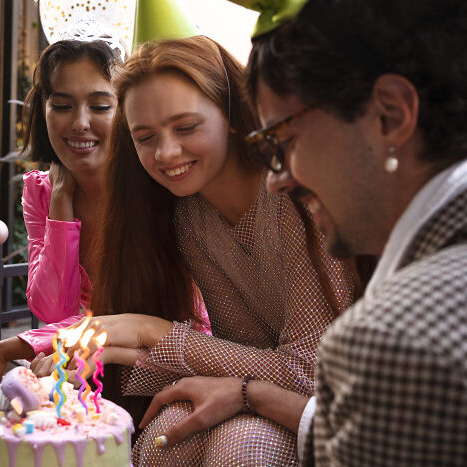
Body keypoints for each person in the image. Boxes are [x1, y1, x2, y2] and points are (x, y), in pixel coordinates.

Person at [144, 0, 467, 465]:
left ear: (391, 116)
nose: (277, 178)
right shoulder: (192, 221)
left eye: (286, 141)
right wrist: (252, 394)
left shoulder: (396, 340)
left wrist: (160, 337)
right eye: (144, 136)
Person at [68, 35, 365, 465]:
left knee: (240, 448)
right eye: (145, 136)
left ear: (230, 113)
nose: (166, 152)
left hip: (351, 407)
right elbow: (243, 353)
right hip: (263, 391)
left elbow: (307, 372)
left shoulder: (292, 193)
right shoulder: (191, 217)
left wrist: (152, 333)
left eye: (186, 127)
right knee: (161, 441)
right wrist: (119, 344)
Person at [0, 39, 123, 408]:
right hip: (72, 372)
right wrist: (60, 202)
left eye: (100, 106)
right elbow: (54, 306)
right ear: (43, 110)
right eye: (63, 105)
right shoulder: (41, 192)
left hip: (145, 370)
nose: (81, 123)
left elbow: (147, 320)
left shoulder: (149, 190)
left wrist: (10, 346)